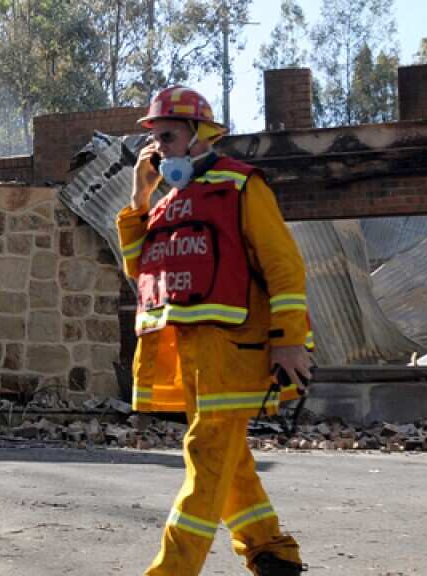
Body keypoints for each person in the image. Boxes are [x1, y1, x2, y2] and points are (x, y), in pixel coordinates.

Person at [116, 85, 314, 576]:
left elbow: (283, 264)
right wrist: (139, 200)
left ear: (200, 135)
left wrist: (290, 338)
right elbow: (141, 273)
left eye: (168, 135)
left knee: (206, 459)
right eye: (154, 139)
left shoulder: (241, 186)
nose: (159, 147)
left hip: (234, 352)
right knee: (230, 463)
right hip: (191, 359)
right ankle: (271, 552)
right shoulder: (165, 204)